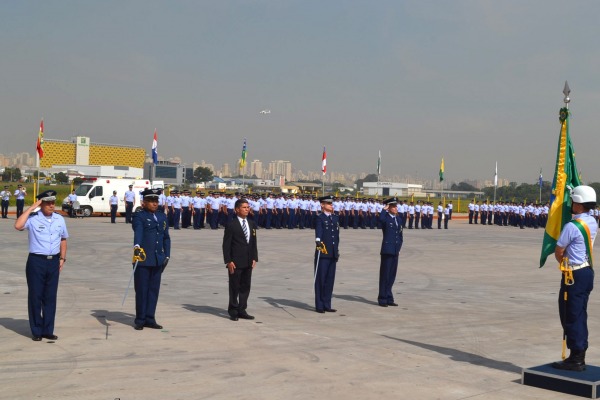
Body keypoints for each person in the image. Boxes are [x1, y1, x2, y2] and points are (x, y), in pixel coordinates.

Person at [552, 185, 598, 371]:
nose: (571, 204)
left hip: (574, 275)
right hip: (586, 272)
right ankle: (579, 352)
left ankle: (576, 357)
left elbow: (559, 251)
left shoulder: (572, 226)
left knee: (570, 314)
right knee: (579, 313)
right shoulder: (592, 221)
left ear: (579, 204)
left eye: (573, 201)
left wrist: (564, 264)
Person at [14, 190, 68, 341]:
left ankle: (48, 330)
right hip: (36, 262)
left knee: (50, 297)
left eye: (53, 202)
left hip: (53, 262)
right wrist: (32, 208)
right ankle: (36, 331)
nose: (52, 205)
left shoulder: (59, 219)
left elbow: (63, 239)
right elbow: (18, 225)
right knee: (36, 296)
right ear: (41, 203)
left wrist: (62, 258)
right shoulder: (33, 218)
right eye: (48, 202)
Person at [131, 189, 171, 330]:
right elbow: (139, 231)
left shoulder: (161, 217)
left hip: (157, 259)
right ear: (144, 203)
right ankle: (140, 319)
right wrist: (137, 246)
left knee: (153, 290)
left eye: (156, 201)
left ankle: (150, 318)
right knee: (142, 290)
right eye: (152, 201)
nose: (155, 204)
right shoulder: (139, 216)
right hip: (143, 258)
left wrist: (167, 255)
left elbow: (166, 237)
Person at [223, 199, 258, 321]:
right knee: (234, 287)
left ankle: (242, 309)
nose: (247, 209)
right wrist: (228, 261)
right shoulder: (231, 224)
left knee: (245, 286)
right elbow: (226, 245)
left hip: (248, 260)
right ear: (237, 209)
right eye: (244, 207)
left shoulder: (251, 223)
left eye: (248, 207)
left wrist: (255, 258)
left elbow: (253, 243)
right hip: (235, 261)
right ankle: (233, 310)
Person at [314, 195, 340, 313]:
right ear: (322, 205)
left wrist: (336, 250)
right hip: (323, 253)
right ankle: (319, 305)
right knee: (321, 279)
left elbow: (336, 236)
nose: (331, 205)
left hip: (333, 253)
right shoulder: (320, 218)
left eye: (331, 203)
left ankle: (327, 304)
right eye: (328, 203)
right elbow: (318, 233)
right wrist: (319, 243)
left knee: (330, 280)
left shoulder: (335, 218)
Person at [378, 197, 403, 307]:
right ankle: (382, 298)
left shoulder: (398, 219)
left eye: (396, 206)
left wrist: (398, 248)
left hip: (395, 251)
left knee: (392, 276)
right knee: (385, 275)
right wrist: (384, 209)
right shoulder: (386, 218)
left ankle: (389, 297)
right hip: (387, 250)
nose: (396, 208)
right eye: (393, 206)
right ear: (389, 207)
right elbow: (380, 221)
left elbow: (400, 235)